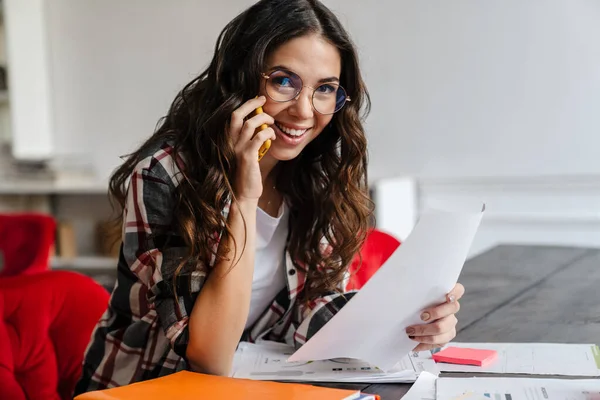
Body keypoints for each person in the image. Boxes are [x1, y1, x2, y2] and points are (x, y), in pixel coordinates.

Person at [74, 0, 464, 394]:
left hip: (256, 387)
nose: (303, 111)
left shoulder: (316, 174)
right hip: (149, 387)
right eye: (284, 81)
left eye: (325, 89)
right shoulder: (166, 175)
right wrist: (244, 200)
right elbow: (207, 357)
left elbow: (312, 308)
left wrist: (410, 322)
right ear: (240, 80)